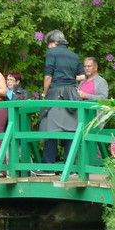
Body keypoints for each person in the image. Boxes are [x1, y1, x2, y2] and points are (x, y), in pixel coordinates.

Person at [40, 30, 81, 166]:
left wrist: (45, 93)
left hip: (56, 93)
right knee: (71, 131)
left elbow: (48, 76)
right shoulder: (74, 55)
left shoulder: (52, 52)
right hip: (72, 96)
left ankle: (48, 166)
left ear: (53, 43)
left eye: (48, 45)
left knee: (50, 128)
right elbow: (81, 76)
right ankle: (71, 168)